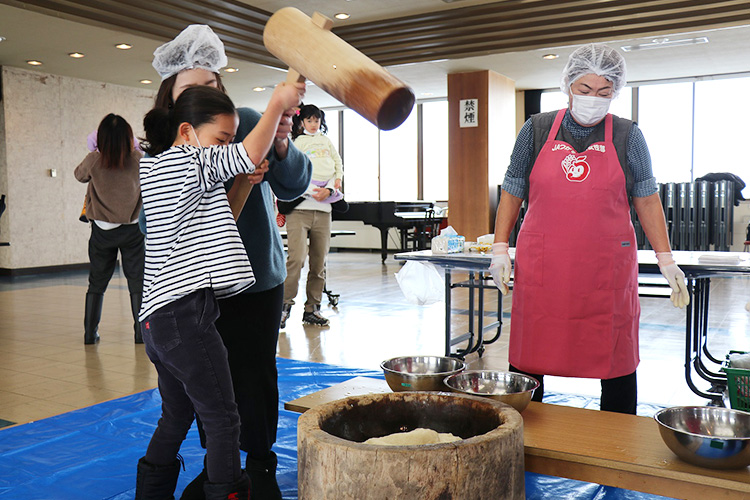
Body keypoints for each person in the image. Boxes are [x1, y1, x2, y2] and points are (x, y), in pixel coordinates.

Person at [144, 25, 312, 500]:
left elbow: (290, 183)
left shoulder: (239, 123)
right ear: (175, 109)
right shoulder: (177, 154)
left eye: (213, 85)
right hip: (194, 298)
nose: (206, 93)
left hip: (241, 284)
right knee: (213, 400)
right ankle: (224, 476)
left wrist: (277, 145)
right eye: (192, 89)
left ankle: (254, 464)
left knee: (246, 380)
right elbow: (156, 224)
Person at [490, 43, 690, 415]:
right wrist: (500, 248)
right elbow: (514, 186)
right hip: (544, 269)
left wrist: (666, 260)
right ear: (567, 84)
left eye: (604, 92)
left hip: (605, 272)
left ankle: (618, 438)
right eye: (584, 90)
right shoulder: (536, 129)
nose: (593, 100)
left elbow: (646, 198)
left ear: (615, 91)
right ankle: (522, 432)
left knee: (614, 358)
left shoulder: (629, 136)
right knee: (532, 353)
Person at [74, 114, 144, 345]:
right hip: (133, 230)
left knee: (97, 283)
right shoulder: (138, 158)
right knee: (137, 282)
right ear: (128, 137)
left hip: (102, 230)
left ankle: (90, 334)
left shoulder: (94, 159)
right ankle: (140, 333)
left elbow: (79, 175)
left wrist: (95, 152)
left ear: (100, 138)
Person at [279, 104, 345, 328]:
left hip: (324, 210)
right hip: (299, 210)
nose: (314, 124)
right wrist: (309, 190)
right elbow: (289, 173)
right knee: (296, 259)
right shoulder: (296, 143)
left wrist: (331, 188)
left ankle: (312, 310)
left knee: (319, 263)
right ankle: (284, 307)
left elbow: (338, 164)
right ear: (301, 122)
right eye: (309, 120)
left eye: (317, 120)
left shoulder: (326, 141)